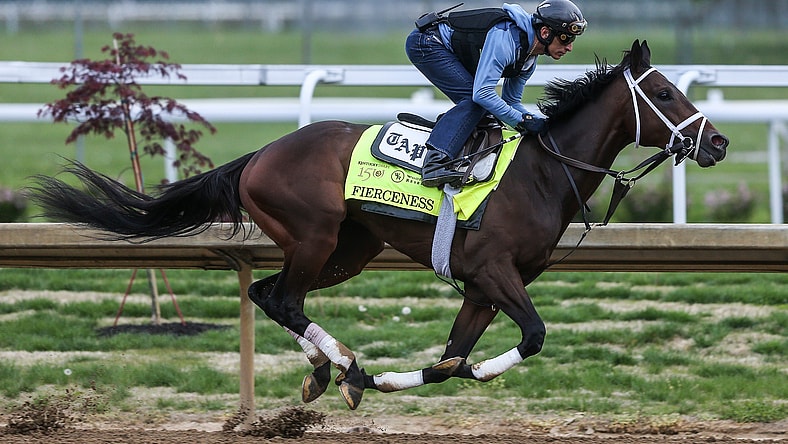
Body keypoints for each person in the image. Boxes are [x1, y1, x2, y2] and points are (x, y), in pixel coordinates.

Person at [405, 1, 587, 187]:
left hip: (446, 48)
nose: (569, 47)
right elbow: (482, 94)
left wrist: (538, 122)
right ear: (545, 33)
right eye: (566, 39)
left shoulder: (529, 59)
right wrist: (522, 121)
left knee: (488, 108)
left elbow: (511, 102)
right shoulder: (505, 39)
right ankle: (434, 163)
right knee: (475, 102)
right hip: (426, 43)